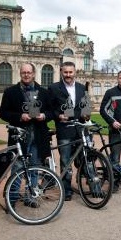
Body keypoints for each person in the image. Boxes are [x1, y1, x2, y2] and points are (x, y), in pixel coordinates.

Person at [0, 63, 53, 208]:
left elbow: (51, 112)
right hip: (19, 136)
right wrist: (19, 116)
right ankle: (12, 199)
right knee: (17, 168)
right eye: (24, 72)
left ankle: (31, 197)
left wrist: (44, 115)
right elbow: (3, 113)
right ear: (20, 74)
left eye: (29, 72)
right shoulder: (11, 92)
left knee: (35, 167)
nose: (26, 75)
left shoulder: (43, 92)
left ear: (34, 74)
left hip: (38, 136)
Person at [48, 61, 88, 201]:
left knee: (85, 158)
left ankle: (89, 186)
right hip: (64, 129)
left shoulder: (82, 88)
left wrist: (86, 113)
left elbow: (85, 106)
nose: (68, 75)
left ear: (75, 72)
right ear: (61, 72)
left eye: (70, 72)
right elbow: (49, 109)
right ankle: (66, 190)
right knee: (66, 161)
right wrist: (58, 115)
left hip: (80, 128)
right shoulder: (53, 88)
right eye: (66, 72)